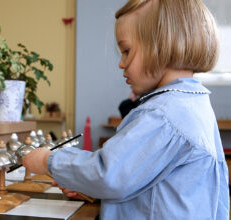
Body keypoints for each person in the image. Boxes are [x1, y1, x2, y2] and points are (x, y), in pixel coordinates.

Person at [23, 0, 230, 219]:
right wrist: (95, 192)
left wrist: (49, 160)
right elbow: (146, 182)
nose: (121, 63)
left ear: (162, 45)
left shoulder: (163, 114)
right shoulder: (193, 105)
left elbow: (108, 174)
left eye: (126, 51)